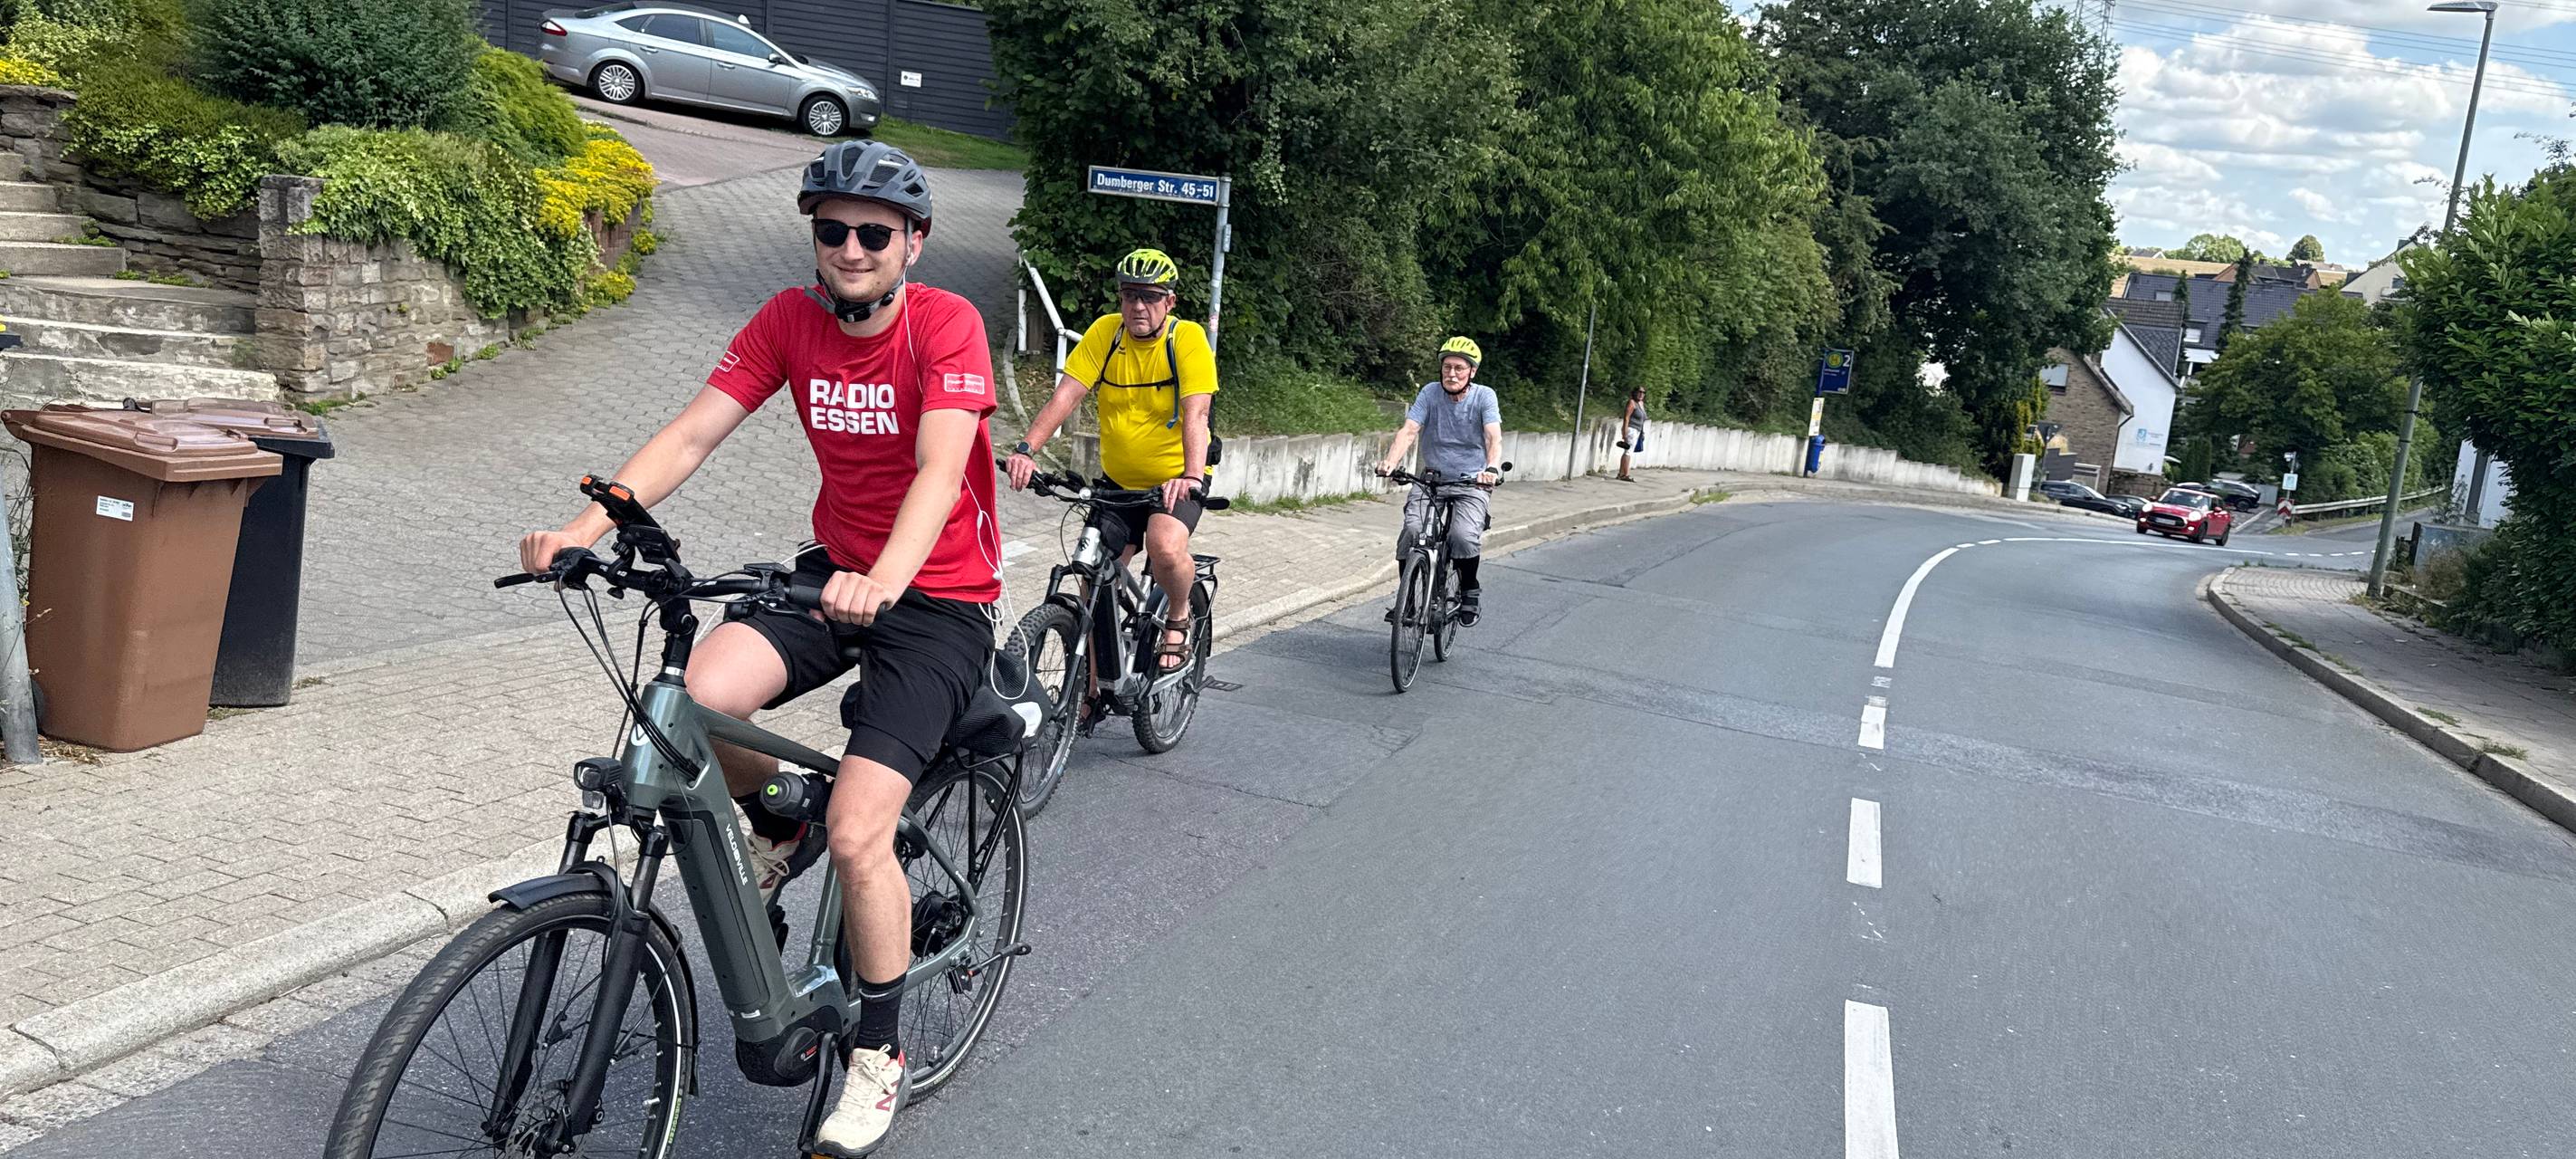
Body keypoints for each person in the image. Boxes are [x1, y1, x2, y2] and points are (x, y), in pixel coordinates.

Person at [515, 140, 997, 1157]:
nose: (853, 247)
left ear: (911, 241)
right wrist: (585, 528)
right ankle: (783, 814)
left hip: (938, 596)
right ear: (814, 237)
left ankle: (877, 1051)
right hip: (834, 575)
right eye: (834, 229)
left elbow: (939, 466)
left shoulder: (944, 323)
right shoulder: (789, 320)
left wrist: (893, 578)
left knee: (866, 828)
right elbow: (694, 432)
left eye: (875, 232)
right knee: (688, 696)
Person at [1006, 247, 1217, 675]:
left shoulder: (1187, 339)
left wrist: (1191, 475)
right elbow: (1067, 394)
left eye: (1150, 296)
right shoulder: (1106, 334)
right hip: (1117, 483)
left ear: (1169, 302)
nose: (1138, 306)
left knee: (1164, 546)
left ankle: (1178, 614)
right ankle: (1086, 692)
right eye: (1129, 295)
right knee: (1093, 581)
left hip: (1173, 481)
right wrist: (1026, 449)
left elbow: (1197, 412)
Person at [1377, 337, 1502, 626]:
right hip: (1431, 480)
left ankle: (1469, 590)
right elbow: (1409, 430)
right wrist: (1391, 463)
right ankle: (1407, 601)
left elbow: (1492, 436)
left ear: (1472, 372)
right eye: (1447, 367)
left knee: (1462, 536)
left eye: (1459, 368)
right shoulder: (1430, 393)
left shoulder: (1484, 396)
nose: (1452, 373)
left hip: (1472, 483)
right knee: (1412, 530)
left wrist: (1491, 469)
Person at [1616, 386, 1647, 481]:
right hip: (1631, 429)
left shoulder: (1641, 404)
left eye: (1643, 393)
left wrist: (1642, 432)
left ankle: (1621, 474)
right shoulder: (1632, 403)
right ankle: (1625, 474)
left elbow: (1642, 419)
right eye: (1639, 392)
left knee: (1628, 451)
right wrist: (1624, 433)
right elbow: (1626, 418)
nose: (1641, 394)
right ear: (1635, 393)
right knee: (1628, 452)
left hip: (1638, 430)